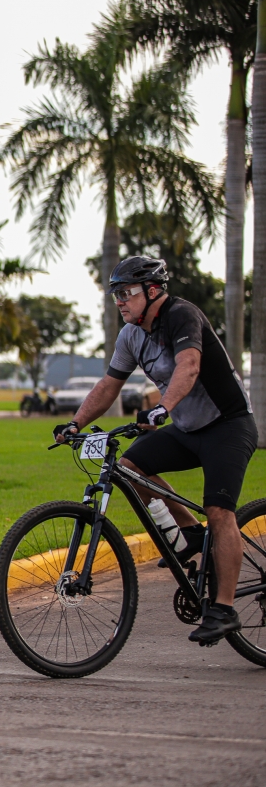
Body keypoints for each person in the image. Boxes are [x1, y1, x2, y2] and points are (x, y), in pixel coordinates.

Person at [53, 256, 256, 645]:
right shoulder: (131, 335)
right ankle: (189, 532)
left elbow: (189, 366)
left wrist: (163, 408)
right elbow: (109, 385)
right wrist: (75, 423)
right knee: (130, 467)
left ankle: (224, 609)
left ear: (152, 291)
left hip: (228, 426)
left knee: (219, 510)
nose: (120, 302)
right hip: (187, 429)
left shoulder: (182, 315)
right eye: (115, 295)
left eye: (126, 293)